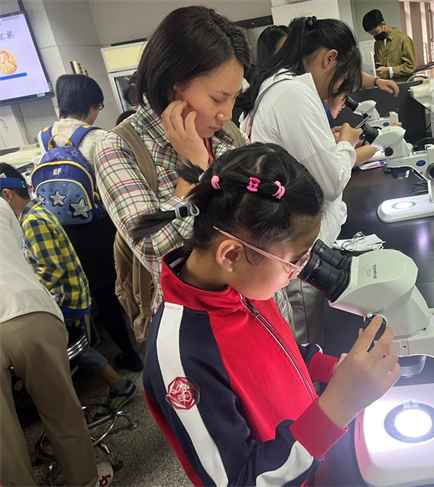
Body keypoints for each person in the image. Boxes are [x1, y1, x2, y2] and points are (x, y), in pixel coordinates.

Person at [132, 143, 400, 486]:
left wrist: (335, 371)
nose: (300, 271)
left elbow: (280, 354)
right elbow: (239, 481)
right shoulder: (180, 356)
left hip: (312, 459)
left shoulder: (242, 285)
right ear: (231, 255)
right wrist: (338, 407)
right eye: (295, 261)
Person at [95, 6, 254, 320]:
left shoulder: (228, 135)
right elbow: (159, 254)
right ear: (173, 87)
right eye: (218, 98)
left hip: (257, 304)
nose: (227, 113)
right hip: (196, 324)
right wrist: (192, 168)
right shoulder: (120, 148)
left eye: (235, 97)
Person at [240, 17, 391, 345]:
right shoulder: (293, 92)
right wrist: (346, 143)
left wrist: (333, 146)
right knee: (306, 343)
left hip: (301, 243)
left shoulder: (281, 85)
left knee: (312, 336)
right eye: (344, 79)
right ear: (329, 58)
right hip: (297, 247)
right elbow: (331, 183)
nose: (340, 90)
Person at [0, 164, 136, 420]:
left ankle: (117, 386)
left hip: (65, 299)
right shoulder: (35, 212)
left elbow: (50, 269)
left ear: (7, 195)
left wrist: (30, 296)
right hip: (71, 293)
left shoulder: (32, 223)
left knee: (48, 344)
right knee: (68, 345)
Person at [0, 197, 113, 487]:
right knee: (60, 408)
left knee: (3, 435)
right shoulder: (2, 206)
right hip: (25, 308)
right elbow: (20, 253)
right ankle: (86, 480)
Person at [39, 74, 143, 372]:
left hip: (67, 230)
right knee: (125, 282)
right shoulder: (98, 138)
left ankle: (128, 355)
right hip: (101, 226)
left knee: (102, 293)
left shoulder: (44, 137)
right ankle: (144, 339)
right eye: (98, 105)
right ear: (91, 104)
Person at [362, 9, 416, 83]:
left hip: (402, 85)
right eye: (371, 34)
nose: (374, 35)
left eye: (375, 32)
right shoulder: (377, 43)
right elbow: (377, 63)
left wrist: (389, 70)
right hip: (385, 85)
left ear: (383, 24)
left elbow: (410, 67)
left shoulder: (403, 39)